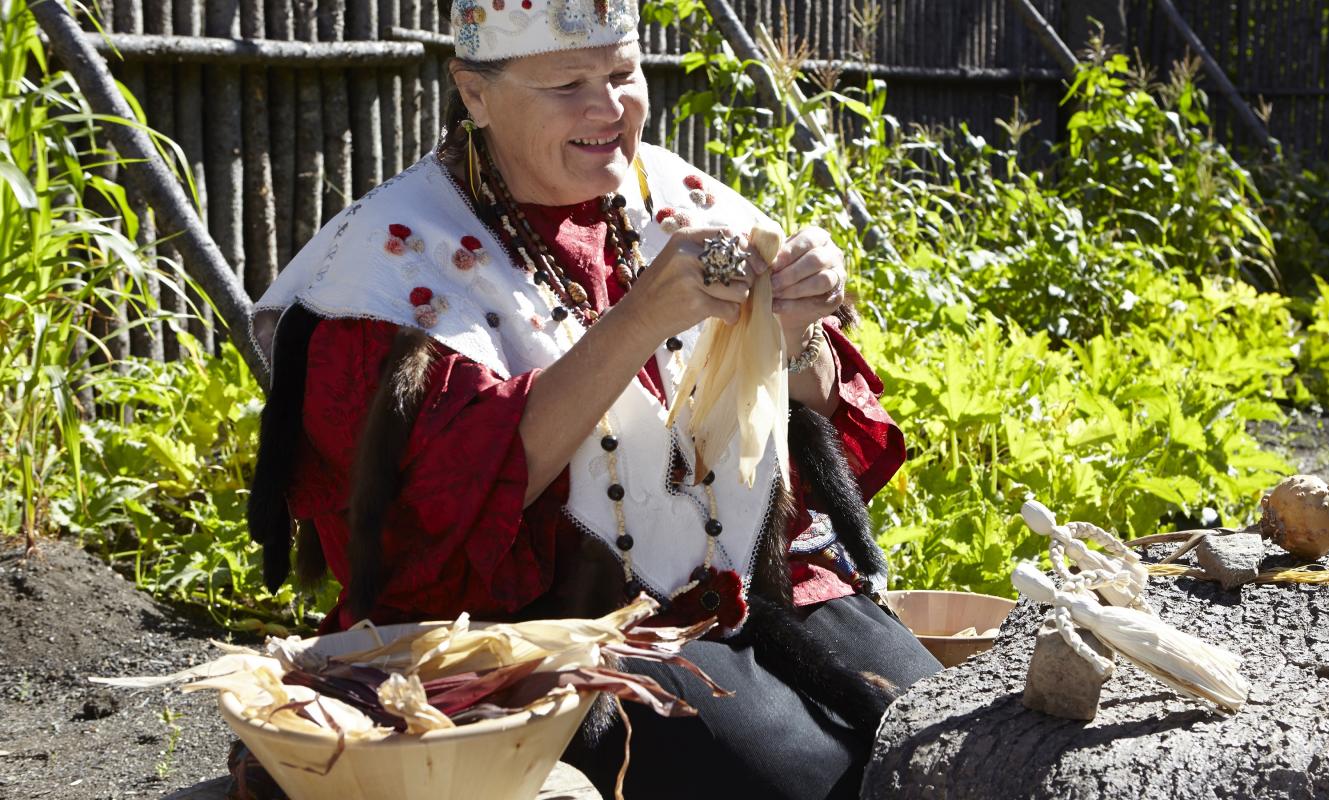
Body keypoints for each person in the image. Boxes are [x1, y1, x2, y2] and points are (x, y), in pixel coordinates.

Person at [245, 0, 942, 797]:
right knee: (811, 784)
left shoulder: (677, 201)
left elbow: (810, 419)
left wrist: (795, 330)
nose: (608, 109)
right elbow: (425, 533)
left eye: (622, 74)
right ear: (474, 93)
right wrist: (638, 320)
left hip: (758, 587)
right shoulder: (389, 270)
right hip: (562, 631)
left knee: (949, 734)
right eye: (568, 83)